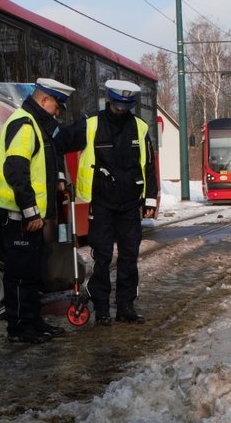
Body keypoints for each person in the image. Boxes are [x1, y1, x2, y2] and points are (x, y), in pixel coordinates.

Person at [57, 79, 157, 326]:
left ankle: (125, 306)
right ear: (109, 101)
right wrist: (61, 176)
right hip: (101, 203)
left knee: (129, 257)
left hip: (130, 204)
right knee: (102, 257)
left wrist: (150, 198)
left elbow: (148, 166)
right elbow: (57, 143)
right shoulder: (91, 125)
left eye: (126, 107)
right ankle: (101, 309)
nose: (121, 111)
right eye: (117, 106)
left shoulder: (140, 128)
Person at [0, 78, 75, 344]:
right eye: (56, 106)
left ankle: (33, 321)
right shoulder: (24, 125)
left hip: (26, 216)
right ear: (45, 100)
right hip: (19, 217)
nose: (57, 112)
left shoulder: (35, 125)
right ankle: (20, 327)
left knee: (31, 272)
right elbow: (16, 171)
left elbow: (39, 165)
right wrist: (31, 212)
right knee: (21, 274)